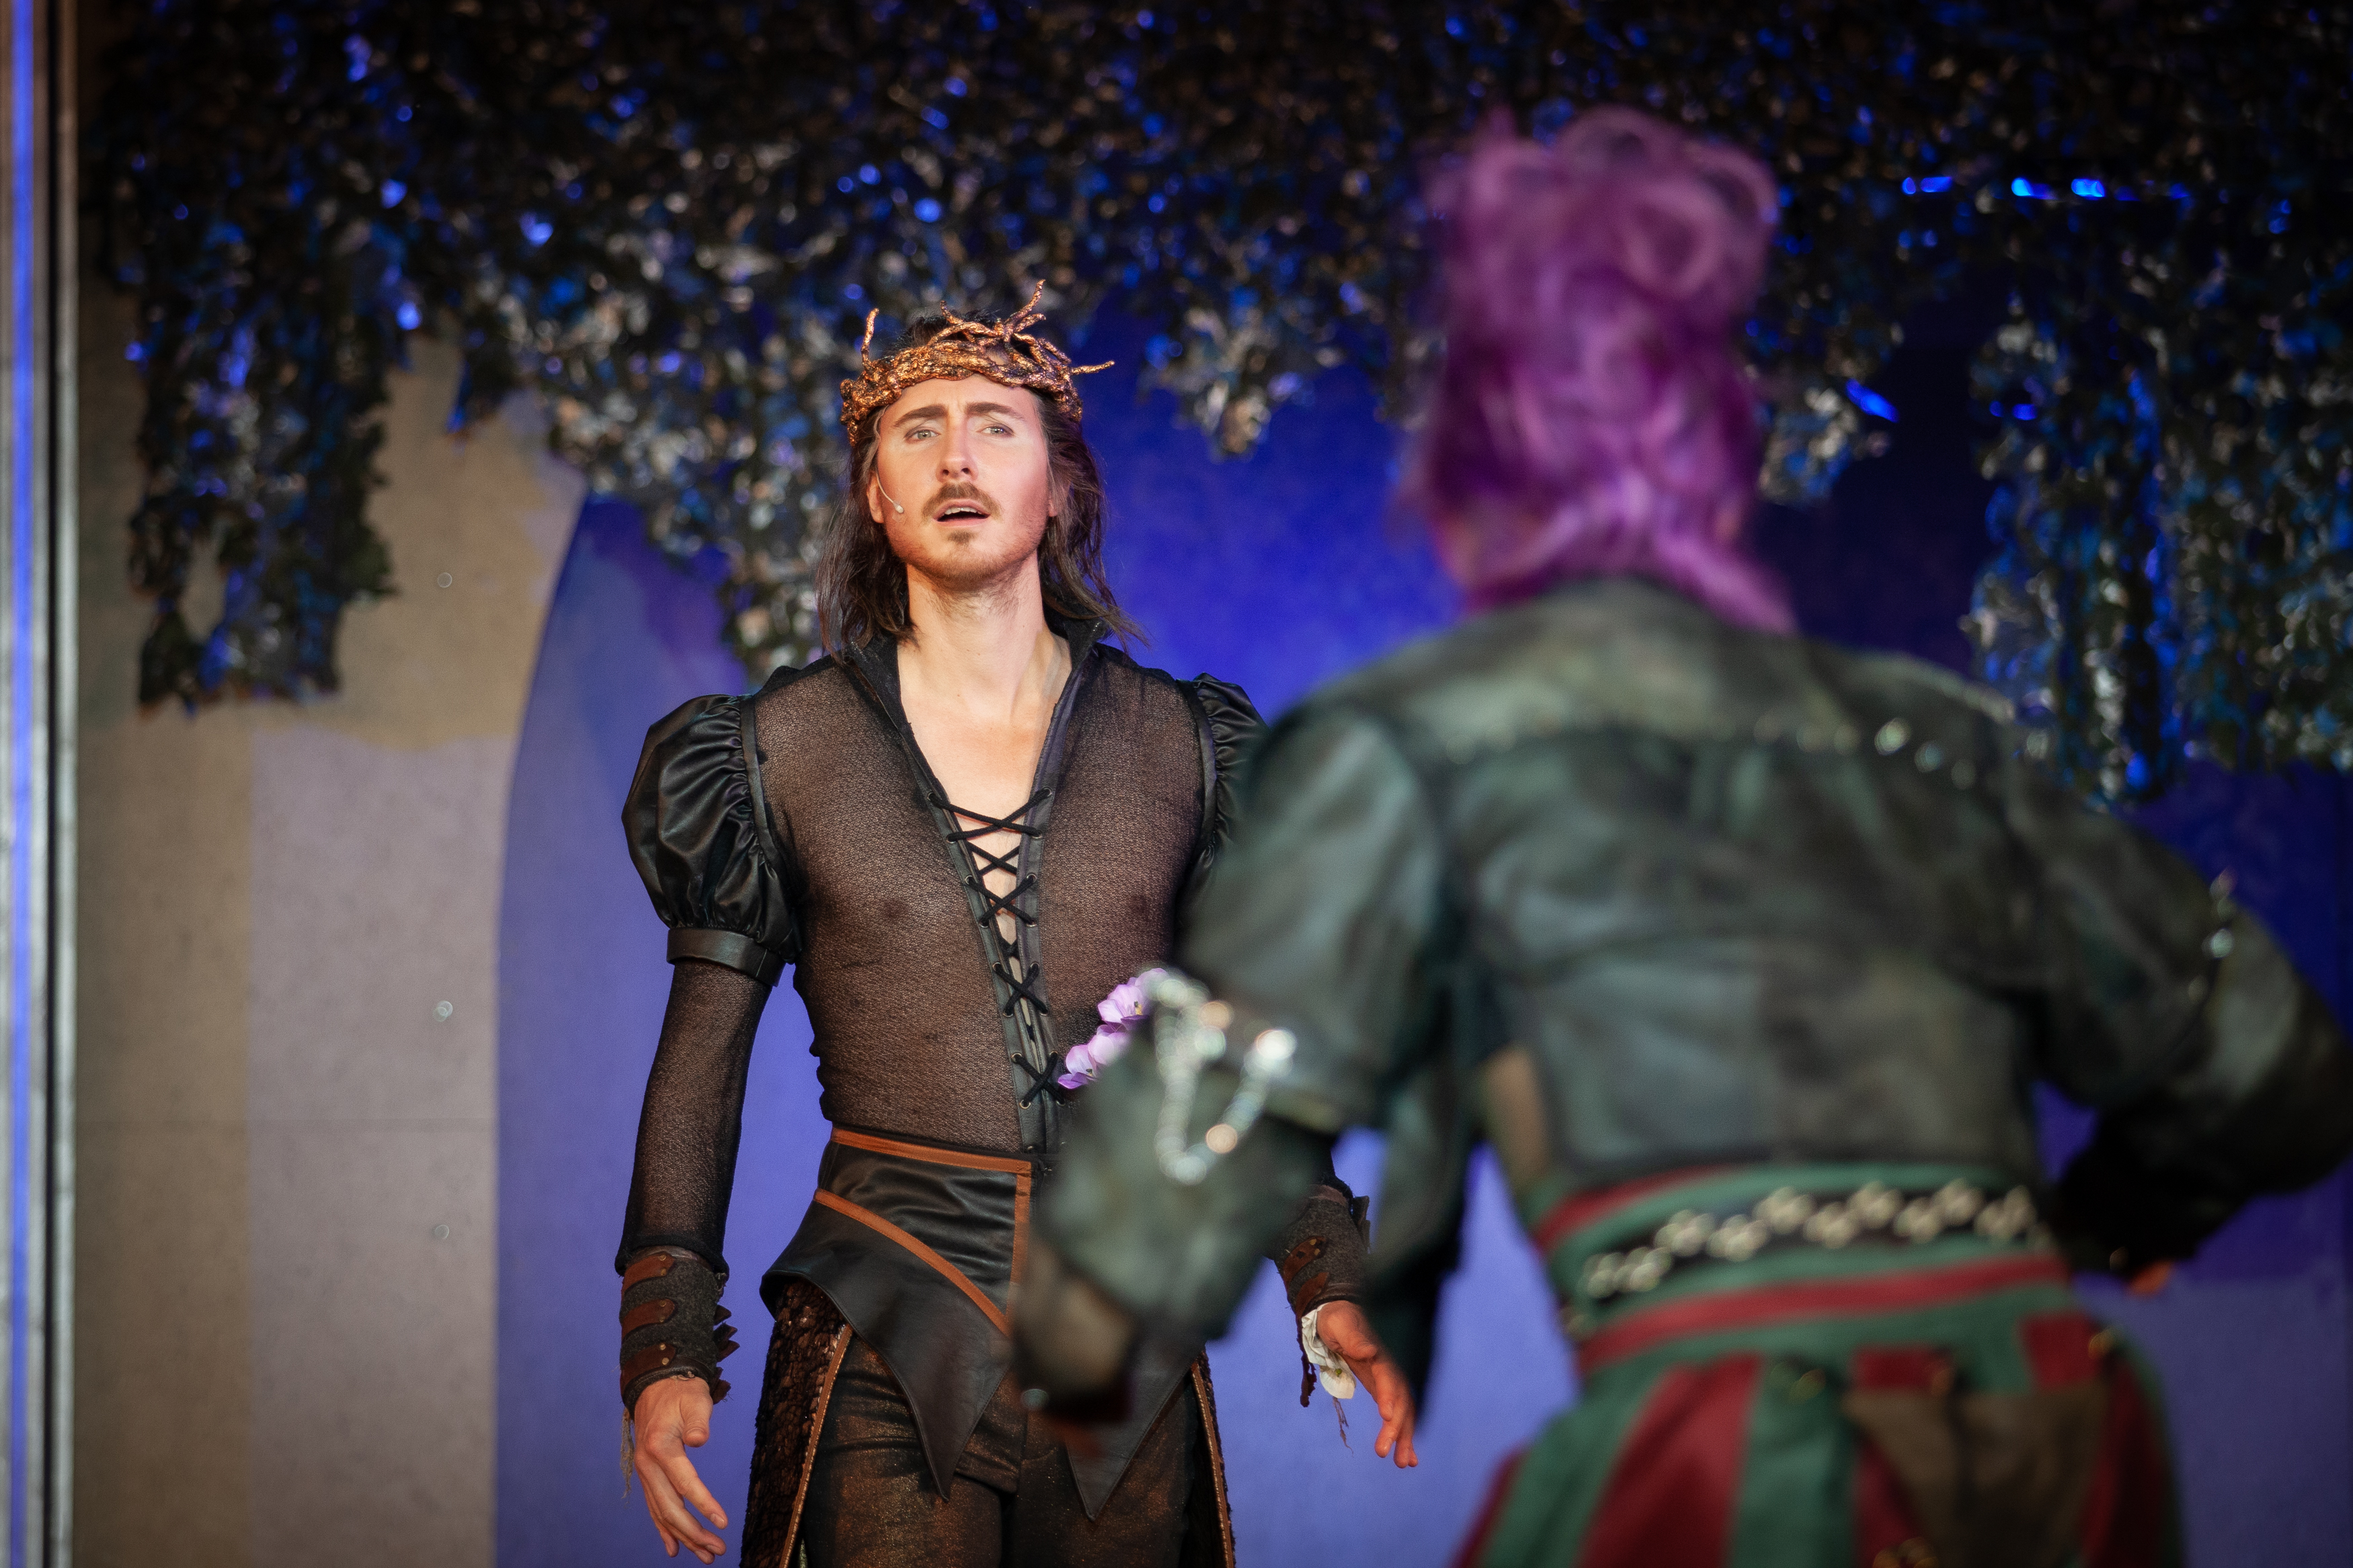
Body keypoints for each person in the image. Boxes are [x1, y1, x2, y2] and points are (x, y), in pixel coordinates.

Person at [1012, 112, 2353, 1568]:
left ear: (1466, 483)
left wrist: (1070, 1322)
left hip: (1730, 1462)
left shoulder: (1421, 750)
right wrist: (2093, 1233)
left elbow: (1188, 1158)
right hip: (2054, 1437)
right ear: (1723, 458)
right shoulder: (1933, 740)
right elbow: (2277, 1075)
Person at [612, 291, 1416, 1568]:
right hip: (885, 1321)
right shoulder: (777, 753)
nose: (957, 459)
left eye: (996, 425)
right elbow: (701, 1060)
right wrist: (664, 1345)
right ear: (876, 493)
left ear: (1059, 489)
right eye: (918, 430)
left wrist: (1328, 1273)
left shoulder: (1180, 746)